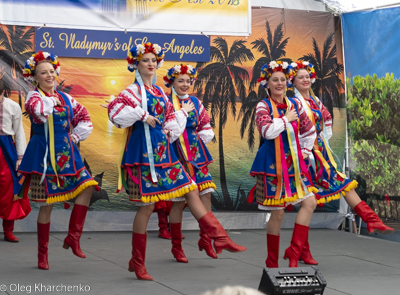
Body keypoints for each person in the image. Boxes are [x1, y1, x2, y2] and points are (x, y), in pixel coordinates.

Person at [106, 42, 246, 280]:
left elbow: (170, 120)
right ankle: (137, 261)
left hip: (165, 152)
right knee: (147, 206)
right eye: (145, 61)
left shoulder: (160, 92)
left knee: (191, 189)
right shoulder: (132, 92)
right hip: (144, 154)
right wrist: (142, 114)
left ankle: (219, 237)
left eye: (153, 60)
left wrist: (174, 124)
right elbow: (114, 113)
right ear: (136, 65)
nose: (150, 64)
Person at [290, 60, 394, 265]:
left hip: (320, 154)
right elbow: (291, 130)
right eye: (300, 77)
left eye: (307, 76)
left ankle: (371, 220)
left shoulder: (315, 102)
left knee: (343, 184)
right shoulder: (292, 103)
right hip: (302, 157)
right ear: (293, 80)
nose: (305, 79)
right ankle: (300, 250)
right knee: (307, 204)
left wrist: (321, 139)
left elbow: (326, 119)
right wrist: (305, 147)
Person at [19, 51, 98, 270]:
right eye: (43, 72)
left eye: (51, 71)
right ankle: (42, 254)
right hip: (44, 155)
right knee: (47, 206)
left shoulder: (66, 98)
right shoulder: (34, 97)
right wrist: (49, 101)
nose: (49, 75)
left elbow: (84, 117)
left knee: (89, 186)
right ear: (35, 77)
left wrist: (74, 136)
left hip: (67, 154)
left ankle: (73, 237)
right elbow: (37, 111)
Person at [248, 60, 318, 268]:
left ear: (288, 82)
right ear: (266, 84)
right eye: (274, 80)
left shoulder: (295, 104)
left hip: (294, 164)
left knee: (310, 202)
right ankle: (272, 261)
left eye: (282, 80)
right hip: (271, 164)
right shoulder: (263, 105)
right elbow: (267, 132)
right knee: (277, 213)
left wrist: (305, 150)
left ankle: (294, 251)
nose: (279, 83)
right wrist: (286, 120)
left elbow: (309, 130)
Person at [163, 64, 217, 258]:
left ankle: (206, 238)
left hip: (196, 155)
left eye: (188, 81)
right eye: (180, 81)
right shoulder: (166, 101)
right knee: (178, 202)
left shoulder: (195, 101)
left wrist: (196, 142)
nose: (185, 84)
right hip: (175, 156)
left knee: (206, 194)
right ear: (172, 82)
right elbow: (165, 130)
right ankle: (176, 247)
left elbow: (205, 124)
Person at [0, 80, 31, 242]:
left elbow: (19, 132)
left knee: (10, 188)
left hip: (6, 150)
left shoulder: (13, 106)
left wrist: (20, 158)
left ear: (3, 91)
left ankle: (8, 230)